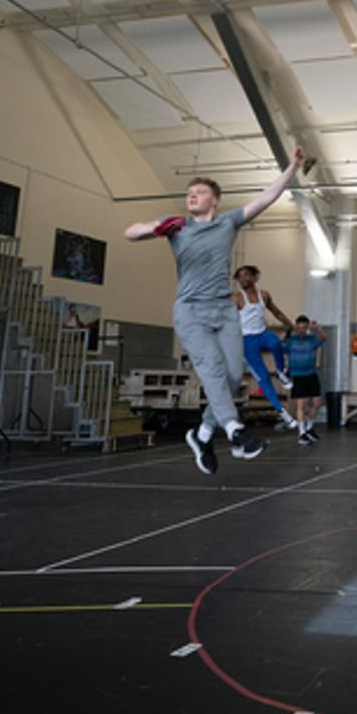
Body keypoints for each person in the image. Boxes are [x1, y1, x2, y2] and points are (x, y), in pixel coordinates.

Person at [123, 147, 305, 474]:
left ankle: (203, 433)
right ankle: (236, 433)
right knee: (212, 371)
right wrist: (155, 229)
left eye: (199, 192)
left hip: (223, 311)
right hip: (191, 312)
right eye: (189, 193)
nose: (192, 196)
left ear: (214, 200)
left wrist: (292, 167)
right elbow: (130, 232)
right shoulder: (176, 226)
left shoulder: (227, 223)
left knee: (234, 376)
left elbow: (265, 198)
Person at [232, 265, 298, 430]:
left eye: (246, 275)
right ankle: (282, 412)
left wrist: (292, 326)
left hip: (262, 333)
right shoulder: (237, 298)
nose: (242, 279)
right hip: (247, 340)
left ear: (254, 277)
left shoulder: (264, 295)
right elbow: (225, 319)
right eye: (239, 277)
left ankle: (281, 373)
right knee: (263, 378)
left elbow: (277, 313)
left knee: (276, 343)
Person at [284, 315, 326, 445]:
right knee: (301, 405)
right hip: (297, 375)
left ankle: (309, 428)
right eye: (299, 327)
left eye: (304, 327)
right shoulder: (291, 341)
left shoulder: (312, 339)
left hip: (311, 374)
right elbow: (280, 351)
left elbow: (324, 339)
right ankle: (301, 433)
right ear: (296, 327)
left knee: (317, 403)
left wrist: (317, 329)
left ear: (307, 327)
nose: (302, 330)